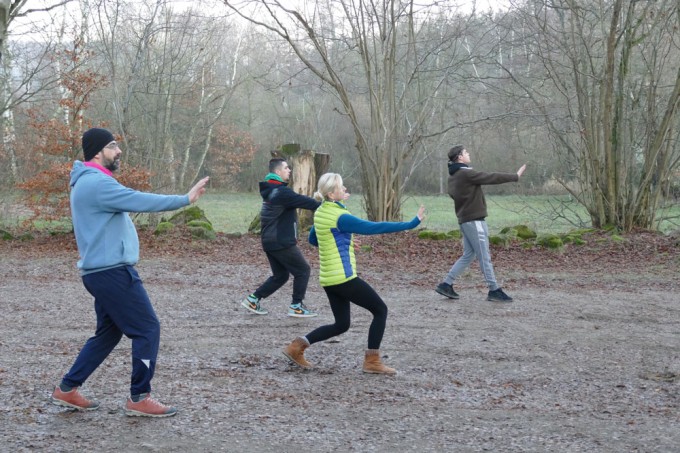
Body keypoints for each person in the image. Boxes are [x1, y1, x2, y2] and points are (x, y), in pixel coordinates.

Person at [50, 127, 209, 417]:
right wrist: (184, 199)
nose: (119, 150)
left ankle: (67, 388)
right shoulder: (97, 183)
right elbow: (140, 200)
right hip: (112, 272)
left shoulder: (88, 181)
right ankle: (139, 396)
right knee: (147, 328)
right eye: (113, 146)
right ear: (98, 152)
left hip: (100, 272)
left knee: (108, 334)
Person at [283, 173, 425, 375]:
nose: (345, 189)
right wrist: (411, 224)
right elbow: (373, 227)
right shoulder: (340, 217)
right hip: (343, 278)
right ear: (331, 194)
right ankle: (372, 362)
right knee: (380, 310)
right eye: (341, 187)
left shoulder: (321, 211)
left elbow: (315, 239)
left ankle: (296, 347)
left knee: (341, 324)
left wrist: (345, 241)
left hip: (329, 279)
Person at [435, 145, 526, 303]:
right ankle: (494, 290)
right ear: (460, 157)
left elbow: (454, 195)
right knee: (484, 256)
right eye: (466, 152)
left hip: (465, 220)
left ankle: (446, 284)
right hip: (474, 221)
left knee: (468, 255)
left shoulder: (454, 176)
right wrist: (515, 176)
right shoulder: (466, 173)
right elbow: (491, 177)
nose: (468, 154)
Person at [241, 158, 322, 317]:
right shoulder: (282, 192)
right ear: (278, 172)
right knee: (303, 270)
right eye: (286, 168)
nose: (289, 170)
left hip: (269, 241)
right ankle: (296, 306)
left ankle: (253, 299)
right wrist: (330, 204)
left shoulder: (271, 190)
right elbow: (310, 204)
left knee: (281, 276)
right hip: (280, 241)